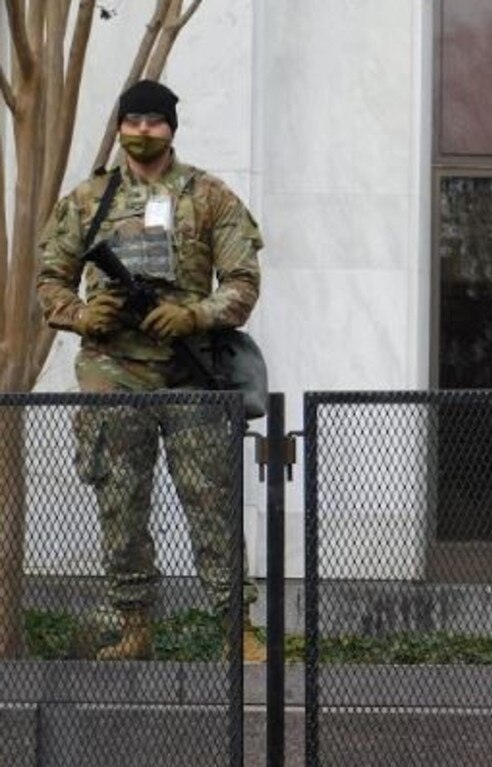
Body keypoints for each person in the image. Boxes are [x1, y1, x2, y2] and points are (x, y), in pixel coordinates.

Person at [36, 80, 266, 662]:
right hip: (113, 371)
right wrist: (85, 315)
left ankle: (236, 631)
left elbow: (242, 282)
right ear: (120, 128)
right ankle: (134, 626)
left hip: (190, 373)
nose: (142, 132)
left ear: (171, 129)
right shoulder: (87, 201)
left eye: (154, 122)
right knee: (121, 506)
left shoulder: (209, 196)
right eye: (133, 121)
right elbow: (48, 281)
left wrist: (192, 315)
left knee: (212, 502)